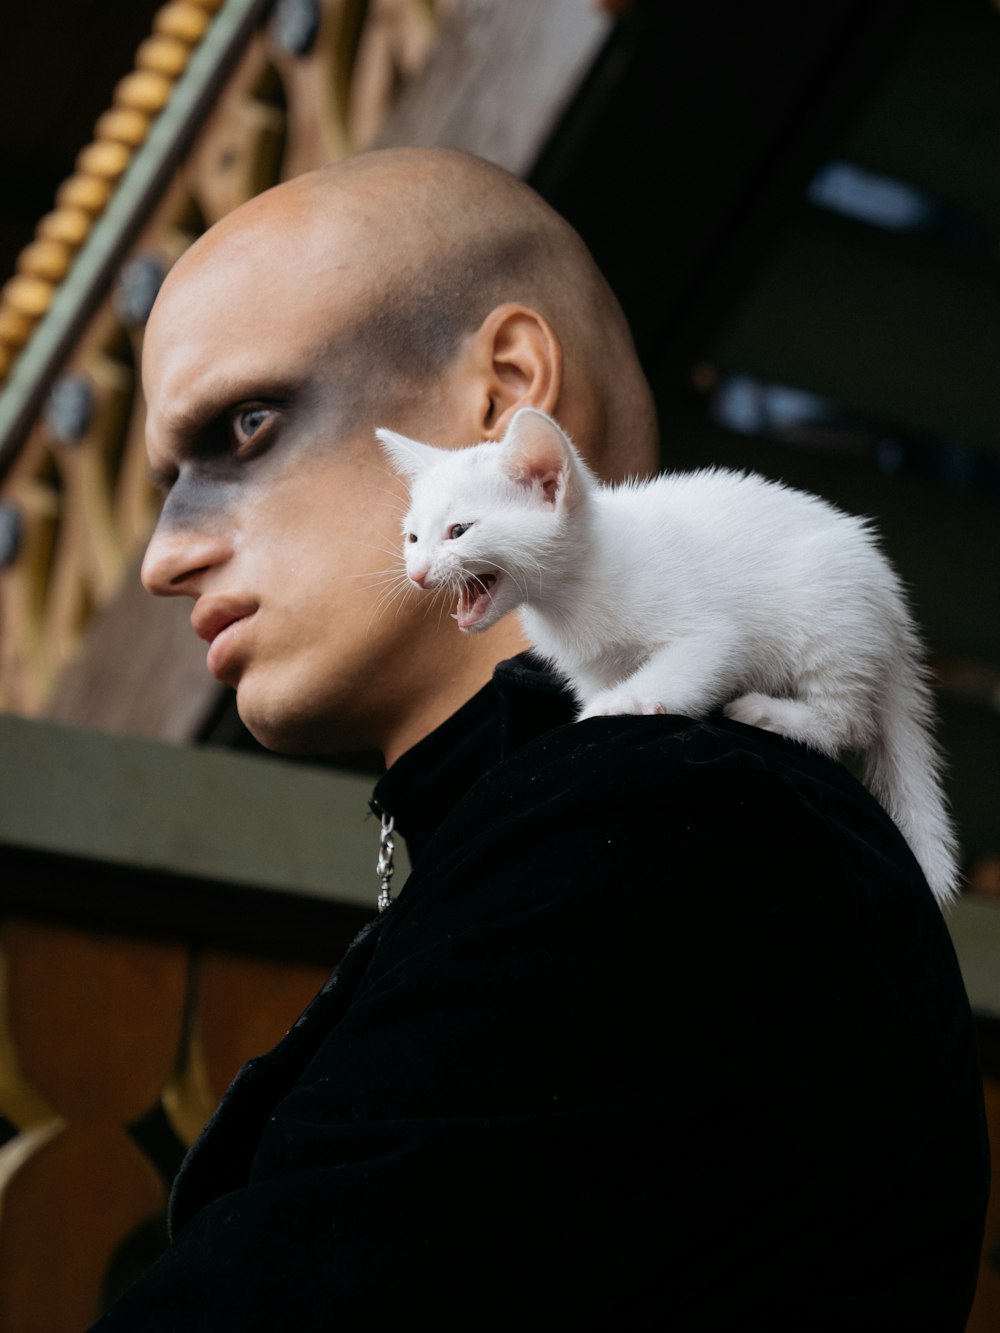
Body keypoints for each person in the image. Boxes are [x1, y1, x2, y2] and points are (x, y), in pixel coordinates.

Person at [91, 148, 988, 1330]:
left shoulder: (677, 823)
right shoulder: (602, 816)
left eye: (247, 425)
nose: (162, 556)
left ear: (505, 392)